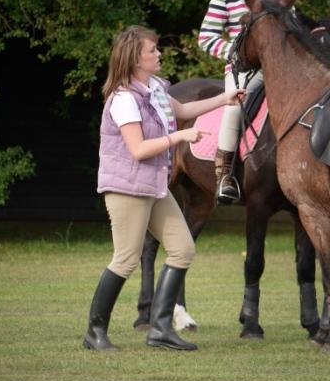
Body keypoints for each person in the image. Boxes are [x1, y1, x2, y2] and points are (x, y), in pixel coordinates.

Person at [83, 25, 245, 352]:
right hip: (127, 188)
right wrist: (179, 137)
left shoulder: (155, 87)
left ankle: (159, 329)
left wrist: (224, 100)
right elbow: (139, 149)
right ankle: (94, 331)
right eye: (152, 50)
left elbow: (183, 111)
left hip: (154, 186)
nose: (159, 54)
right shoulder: (123, 99)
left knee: (183, 249)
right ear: (134, 59)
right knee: (126, 259)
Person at [198, 0, 288, 203]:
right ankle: (225, 176)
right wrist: (240, 51)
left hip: (283, 69)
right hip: (245, 68)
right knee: (235, 107)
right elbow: (206, 38)